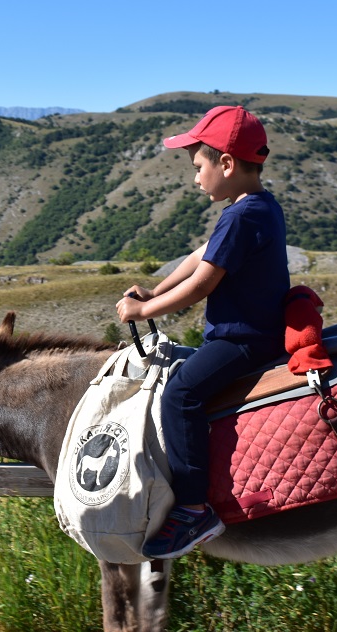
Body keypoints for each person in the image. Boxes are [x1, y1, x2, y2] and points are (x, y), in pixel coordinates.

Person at [116, 105, 290, 559]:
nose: (195, 178)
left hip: (243, 340)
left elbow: (203, 282)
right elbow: (199, 257)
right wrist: (154, 288)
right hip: (254, 332)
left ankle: (193, 509)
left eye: (199, 167)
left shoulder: (240, 216)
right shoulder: (256, 206)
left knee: (180, 393)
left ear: (227, 164)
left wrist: (143, 309)